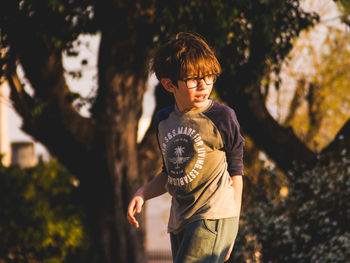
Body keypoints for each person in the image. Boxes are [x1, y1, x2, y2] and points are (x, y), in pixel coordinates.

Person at [127, 32, 244, 263]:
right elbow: (170, 174)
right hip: (180, 220)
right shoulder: (164, 121)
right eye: (193, 79)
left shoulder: (222, 117)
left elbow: (236, 174)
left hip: (213, 216)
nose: (203, 85)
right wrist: (143, 193)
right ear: (169, 84)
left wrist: (233, 225)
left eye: (208, 77)